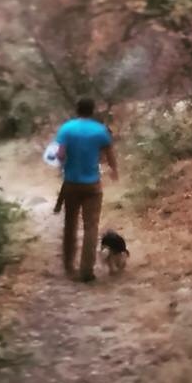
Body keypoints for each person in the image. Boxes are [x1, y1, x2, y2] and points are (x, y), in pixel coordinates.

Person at [54, 98, 118, 282]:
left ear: (77, 109)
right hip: (92, 185)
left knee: (70, 224)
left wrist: (64, 164)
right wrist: (114, 170)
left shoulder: (66, 128)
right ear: (93, 110)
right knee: (91, 227)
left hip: (71, 183)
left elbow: (60, 154)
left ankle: (69, 266)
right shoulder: (100, 130)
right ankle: (86, 271)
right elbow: (110, 155)